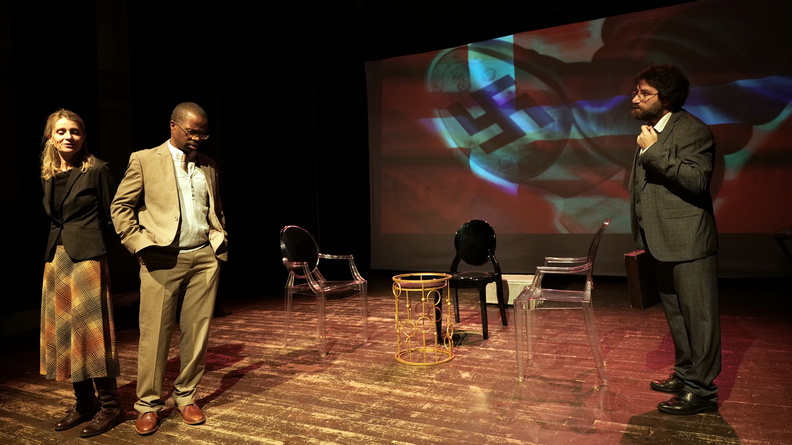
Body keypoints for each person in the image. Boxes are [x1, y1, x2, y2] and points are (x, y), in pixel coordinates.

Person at [111, 102, 228, 435]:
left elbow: (215, 208)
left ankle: (186, 396)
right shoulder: (145, 159)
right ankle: (148, 404)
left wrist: (219, 237)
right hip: (161, 259)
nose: (197, 138)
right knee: (155, 336)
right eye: (192, 132)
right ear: (173, 126)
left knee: (197, 332)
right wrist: (139, 245)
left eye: (203, 133)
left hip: (203, 258)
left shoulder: (208, 165)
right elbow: (120, 207)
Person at [628, 64, 721, 415]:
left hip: (688, 241)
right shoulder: (653, 130)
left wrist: (654, 151)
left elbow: (697, 181)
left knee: (700, 318)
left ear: (665, 97)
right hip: (661, 239)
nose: (635, 99)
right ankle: (685, 375)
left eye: (644, 93)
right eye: (636, 91)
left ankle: (702, 392)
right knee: (678, 317)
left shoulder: (693, 130)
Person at [38, 109, 123, 438]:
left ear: (84, 136)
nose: (68, 137)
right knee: (66, 332)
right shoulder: (48, 173)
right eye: (61, 131)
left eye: (74, 131)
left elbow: (113, 215)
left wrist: (104, 251)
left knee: (92, 333)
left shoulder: (97, 169)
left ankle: (111, 405)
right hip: (57, 256)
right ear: (50, 137)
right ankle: (85, 401)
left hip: (88, 257)